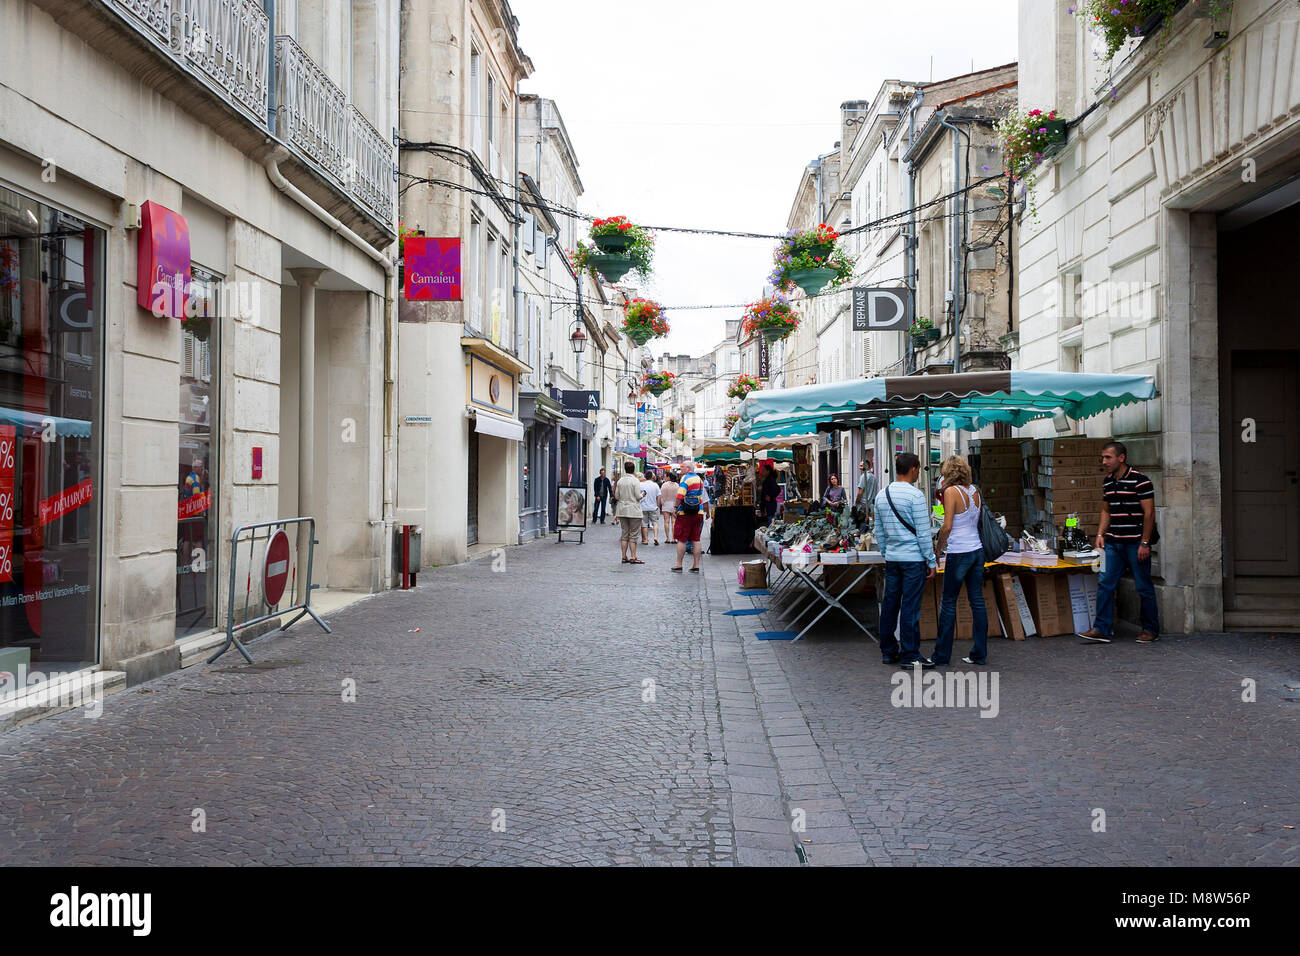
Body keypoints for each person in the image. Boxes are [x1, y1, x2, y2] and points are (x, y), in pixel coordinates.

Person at [1079, 440, 1160, 644]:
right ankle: (1101, 628)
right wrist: (1099, 534)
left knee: (1143, 586)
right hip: (1113, 542)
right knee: (1105, 583)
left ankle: (1150, 629)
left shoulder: (1140, 481)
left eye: (1108, 457)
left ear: (1121, 458)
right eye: (1103, 457)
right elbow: (1106, 510)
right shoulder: (1108, 481)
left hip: (1135, 543)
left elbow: (1149, 513)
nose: (1104, 461)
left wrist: (1145, 542)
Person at [874, 452, 937, 668]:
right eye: (918, 469)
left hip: (893, 559)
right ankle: (910, 654)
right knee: (910, 606)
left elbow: (879, 531)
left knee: (890, 604)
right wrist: (930, 560)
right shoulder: (916, 496)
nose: (918, 473)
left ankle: (888, 651)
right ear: (913, 469)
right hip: (913, 560)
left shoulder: (882, 495)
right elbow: (923, 532)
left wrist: (886, 551)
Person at [931, 455, 988, 667]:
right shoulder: (975, 491)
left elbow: (947, 526)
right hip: (977, 550)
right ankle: (979, 654)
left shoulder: (950, 492)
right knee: (977, 601)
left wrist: (938, 549)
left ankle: (941, 656)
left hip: (959, 551)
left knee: (948, 603)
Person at [672, 461, 710, 573]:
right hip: (698, 511)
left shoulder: (685, 478)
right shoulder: (699, 480)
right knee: (696, 539)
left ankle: (679, 564)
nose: (681, 469)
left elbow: (680, 495)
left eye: (682, 467)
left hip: (685, 512)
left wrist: (675, 507)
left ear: (688, 468)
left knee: (682, 539)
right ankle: (696, 565)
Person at [614, 461, 645, 565]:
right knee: (633, 535)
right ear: (633, 469)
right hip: (634, 510)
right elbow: (637, 496)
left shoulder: (620, 481)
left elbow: (617, 496)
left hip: (622, 510)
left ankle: (623, 557)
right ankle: (633, 556)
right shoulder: (635, 481)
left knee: (624, 534)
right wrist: (643, 494)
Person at [639, 471, 661, 546]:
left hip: (643, 507)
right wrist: (658, 506)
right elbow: (658, 497)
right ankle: (655, 537)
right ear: (652, 477)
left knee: (644, 524)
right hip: (653, 507)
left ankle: (645, 540)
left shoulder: (641, 484)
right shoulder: (655, 485)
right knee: (655, 523)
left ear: (645, 477)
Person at [660, 472, 680, 543]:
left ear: (669, 477)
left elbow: (662, 496)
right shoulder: (677, 485)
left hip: (666, 504)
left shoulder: (664, 485)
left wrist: (662, 503)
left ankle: (667, 538)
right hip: (674, 505)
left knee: (666, 521)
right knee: (674, 522)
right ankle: (674, 538)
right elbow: (679, 496)